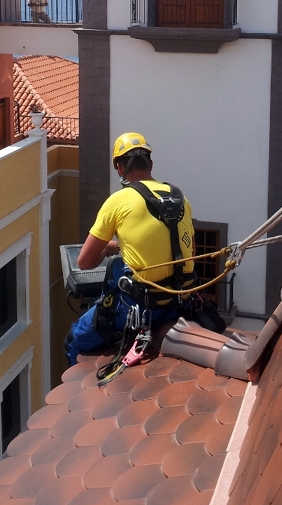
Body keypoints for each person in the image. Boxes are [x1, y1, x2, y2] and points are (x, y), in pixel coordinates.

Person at [64, 132, 195, 366]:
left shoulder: (118, 200)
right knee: (117, 265)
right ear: (151, 164)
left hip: (143, 308)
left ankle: (85, 393)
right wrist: (119, 247)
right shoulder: (179, 198)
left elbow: (84, 262)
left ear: (118, 167)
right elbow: (186, 250)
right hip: (179, 302)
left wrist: (105, 249)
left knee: (73, 340)